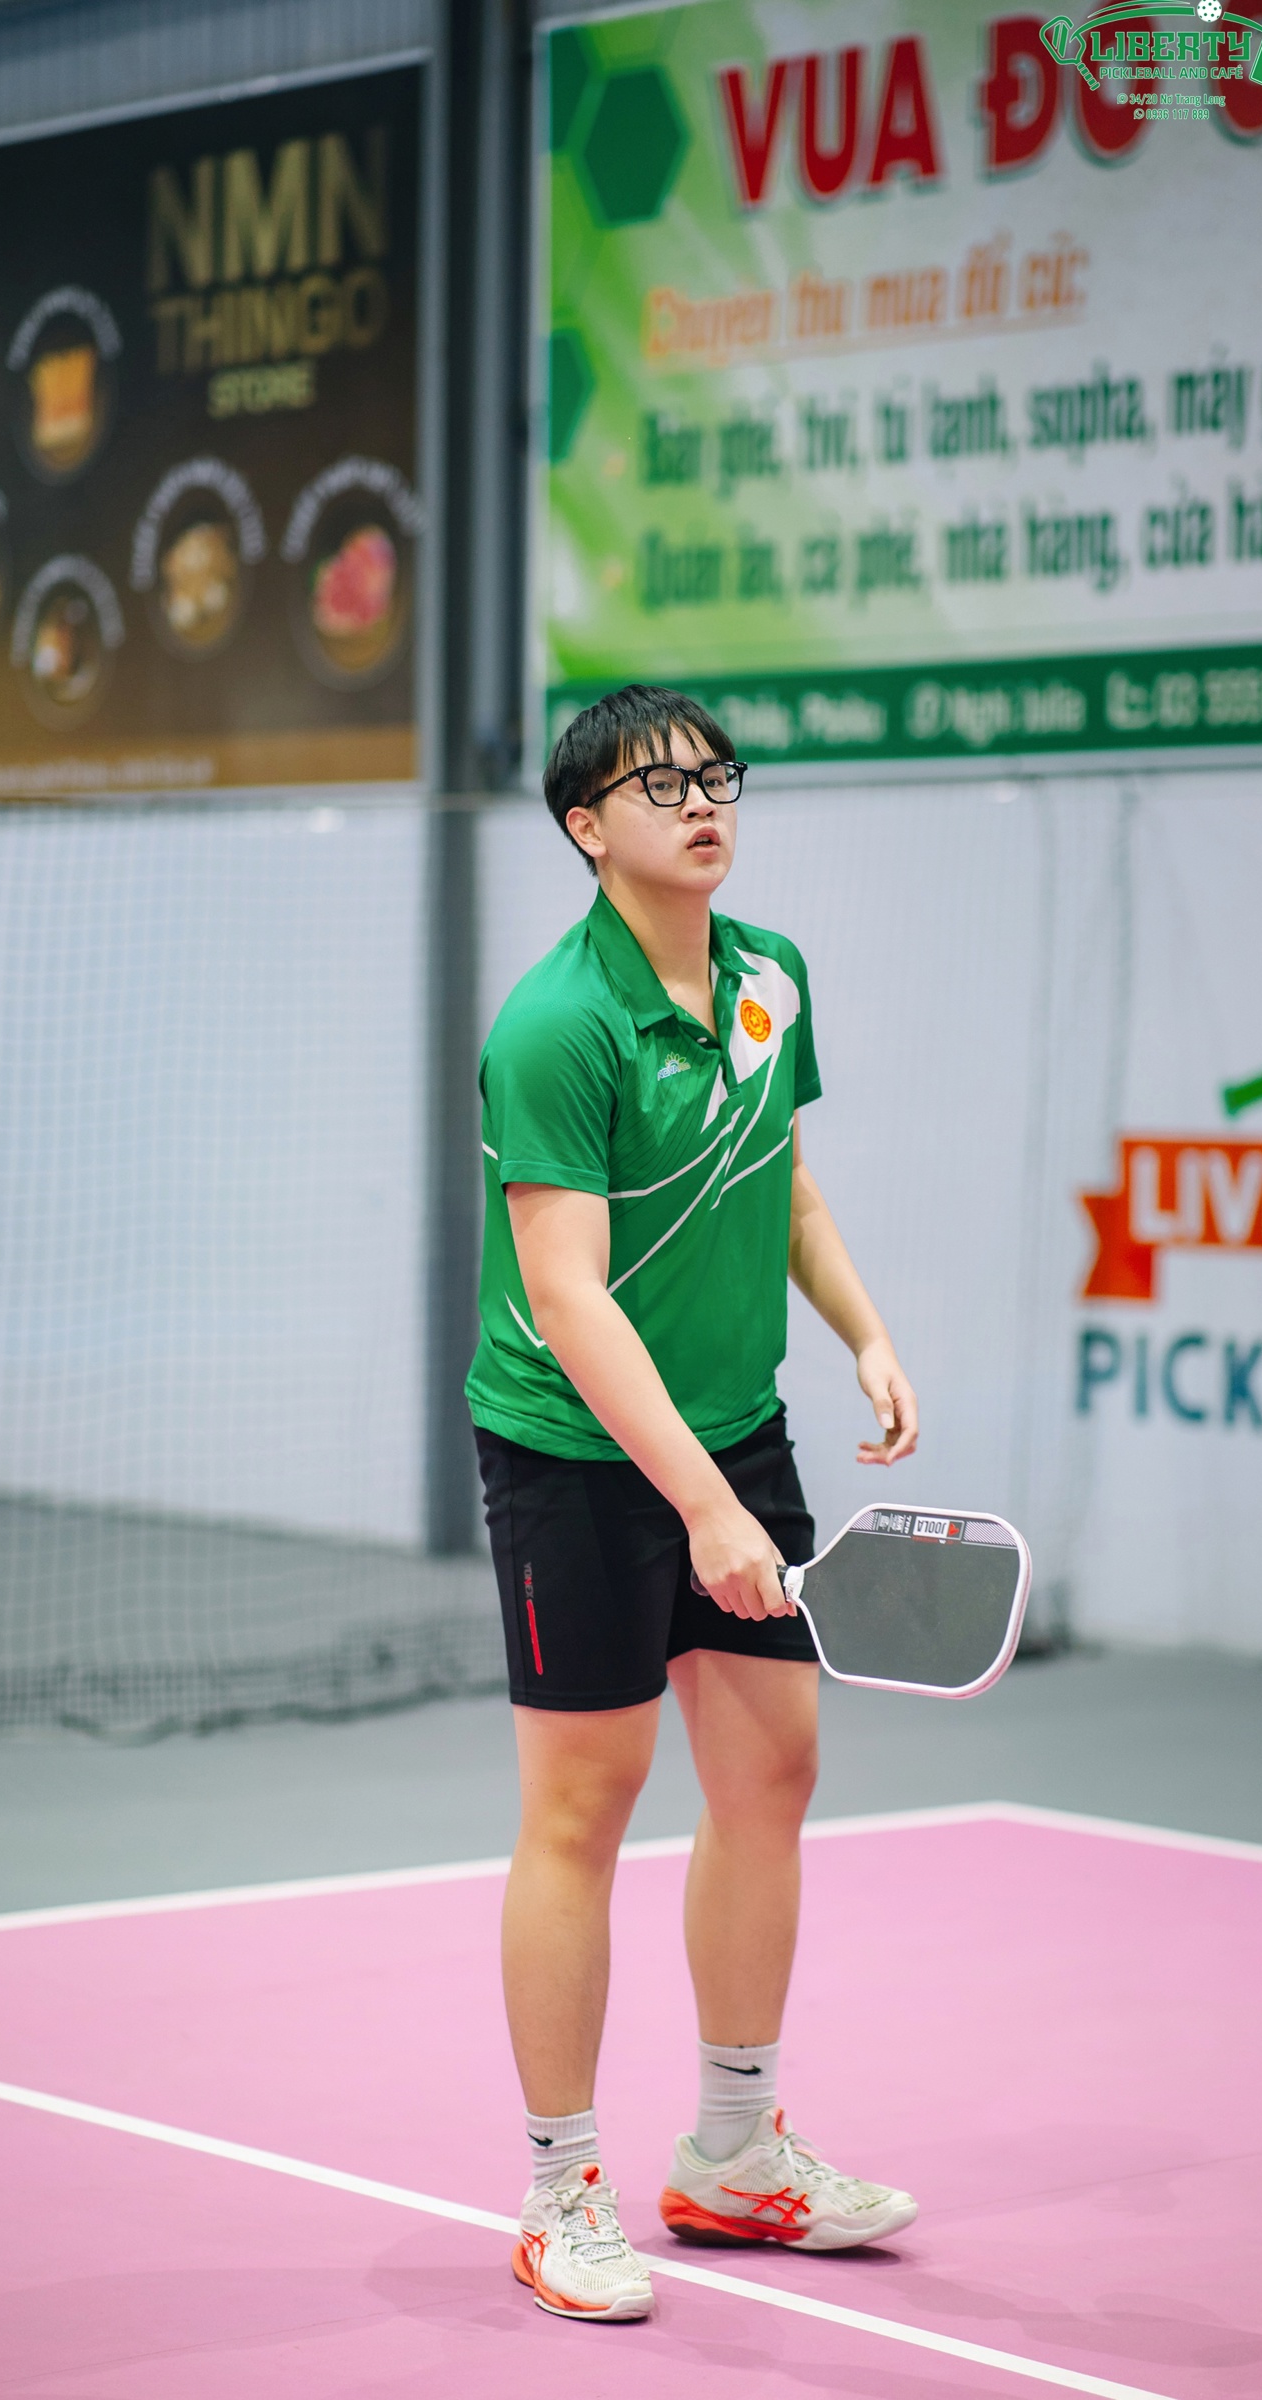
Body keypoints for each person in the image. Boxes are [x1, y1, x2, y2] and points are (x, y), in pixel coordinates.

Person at [468, 685, 921, 2323]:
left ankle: (734, 2147)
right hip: (578, 1458)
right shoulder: (555, 1026)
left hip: (737, 1431)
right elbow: (569, 1298)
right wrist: (706, 1510)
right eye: (660, 786)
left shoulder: (769, 974)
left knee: (771, 1771)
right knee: (582, 1806)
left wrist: (864, 1331)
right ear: (587, 828)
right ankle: (559, 2189)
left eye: (717, 775)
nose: (703, 801)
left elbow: (783, 1184)